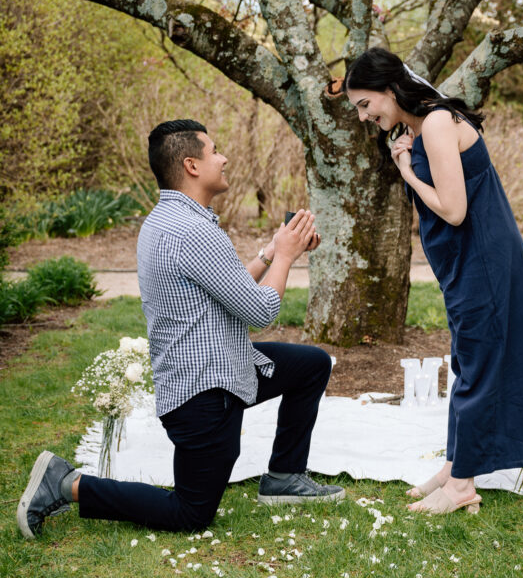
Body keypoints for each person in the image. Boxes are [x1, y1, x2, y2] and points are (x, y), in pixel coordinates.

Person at [17, 119, 344, 539]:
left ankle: (283, 476)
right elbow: (260, 310)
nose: (223, 158)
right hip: (205, 395)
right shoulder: (192, 230)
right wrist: (285, 256)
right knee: (190, 513)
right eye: (214, 151)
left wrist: (269, 250)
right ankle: (67, 483)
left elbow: (228, 286)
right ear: (191, 164)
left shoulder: (168, 220)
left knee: (311, 364)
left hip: (220, 371)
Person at [345, 49, 523, 515]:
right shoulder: (421, 125)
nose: (363, 115)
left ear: (390, 90)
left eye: (364, 103)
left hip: (484, 256)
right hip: (468, 257)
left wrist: (408, 173)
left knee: (477, 362)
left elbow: (454, 209)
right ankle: (455, 465)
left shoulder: (434, 123)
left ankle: (461, 486)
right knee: (465, 360)